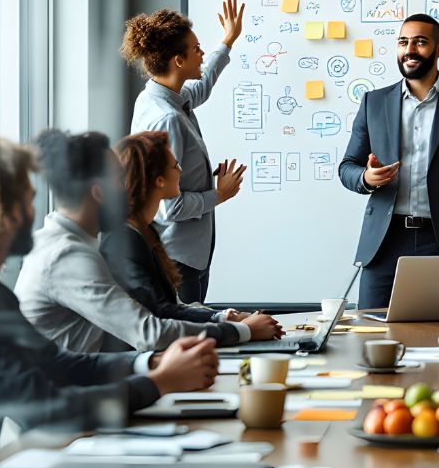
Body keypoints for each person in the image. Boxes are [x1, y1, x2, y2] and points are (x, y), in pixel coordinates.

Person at [0, 138, 218, 468]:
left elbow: (57, 363)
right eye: (27, 199)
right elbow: (45, 409)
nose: (32, 212)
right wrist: (159, 382)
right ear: (2, 211)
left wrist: (151, 364)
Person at [15, 129, 281, 353]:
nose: (129, 184)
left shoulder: (71, 244)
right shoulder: (68, 255)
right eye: (119, 178)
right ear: (98, 193)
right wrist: (241, 331)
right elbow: (149, 332)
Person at [339, 14, 439, 309]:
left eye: (420, 42)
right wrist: (366, 178)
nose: (409, 50)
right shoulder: (372, 103)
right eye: (403, 42)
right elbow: (347, 167)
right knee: (372, 328)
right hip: (384, 242)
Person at [123, 0, 246, 305]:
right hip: (179, 259)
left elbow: (201, 87)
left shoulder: (158, 95)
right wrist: (220, 194)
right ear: (178, 61)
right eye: (196, 49)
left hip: (187, 254)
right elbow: (170, 208)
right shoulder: (168, 118)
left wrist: (227, 42)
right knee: (189, 327)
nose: (202, 54)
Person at [102, 131, 263, 325]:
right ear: (159, 180)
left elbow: (173, 307)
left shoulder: (146, 233)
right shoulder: (125, 242)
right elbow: (161, 316)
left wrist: (225, 316)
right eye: (175, 165)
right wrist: (240, 328)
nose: (181, 171)